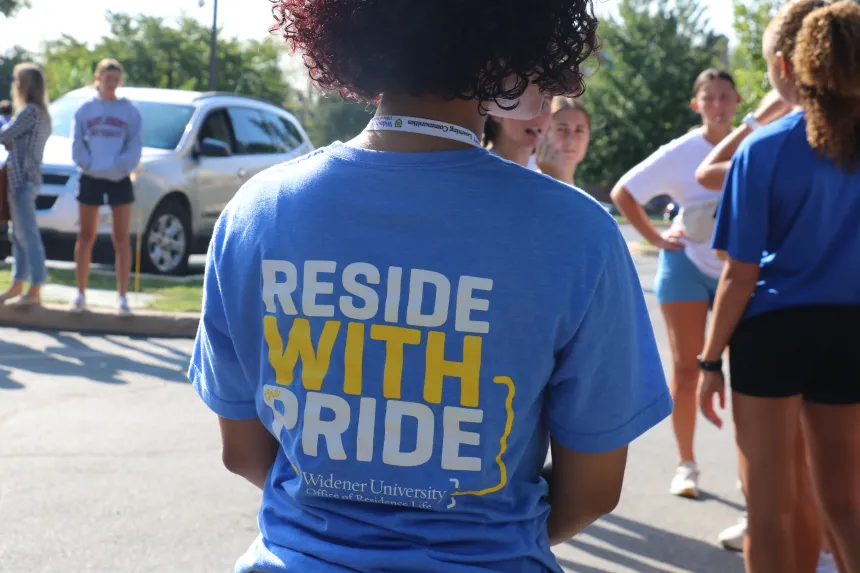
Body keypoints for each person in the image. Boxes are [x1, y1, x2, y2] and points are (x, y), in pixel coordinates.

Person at [189, 1, 673, 572]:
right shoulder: (578, 233)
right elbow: (592, 490)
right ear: (518, 41)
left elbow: (243, 453)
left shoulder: (258, 212)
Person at [698, 1, 860, 572]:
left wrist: (709, 361)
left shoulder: (763, 149)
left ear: (790, 66)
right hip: (851, 332)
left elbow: (738, 275)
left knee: (765, 506)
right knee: (846, 505)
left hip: (773, 331)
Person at [610, 69, 741, 499]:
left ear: (738, 101)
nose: (718, 105)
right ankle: (686, 464)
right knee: (687, 369)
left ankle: (749, 475)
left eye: (726, 96)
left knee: (748, 376)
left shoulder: (751, 142)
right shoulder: (681, 151)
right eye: (709, 97)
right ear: (696, 105)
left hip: (739, 272)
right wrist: (657, 238)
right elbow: (624, 192)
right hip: (685, 265)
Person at [70, 58, 142, 317]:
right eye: (106, 78)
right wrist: (89, 165)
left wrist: (119, 167)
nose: (111, 83)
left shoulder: (129, 110)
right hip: (90, 176)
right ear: (98, 78)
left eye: (115, 79)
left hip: (119, 178)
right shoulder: (85, 109)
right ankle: (80, 293)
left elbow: (135, 145)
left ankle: (122, 297)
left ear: (120, 81)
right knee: (86, 236)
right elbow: (77, 143)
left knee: (121, 238)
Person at [0, 64, 51, 307]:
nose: (15, 84)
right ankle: (18, 283)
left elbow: (5, 135)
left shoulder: (30, 111)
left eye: (18, 80)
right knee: (17, 236)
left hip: (23, 181)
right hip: (20, 181)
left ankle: (36, 287)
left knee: (28, 235)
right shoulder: (38, 112)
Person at [535, 97, 592, 186]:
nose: (571, 138)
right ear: (545, 133)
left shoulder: (579, 196)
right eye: (561, 129)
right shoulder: (528, 184)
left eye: (579, 130)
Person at [482, 98, 552, 169]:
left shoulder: (541, 170)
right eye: (524, 102)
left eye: (543, 105)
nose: (536, 114)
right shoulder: (484, 168)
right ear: (497, 113)